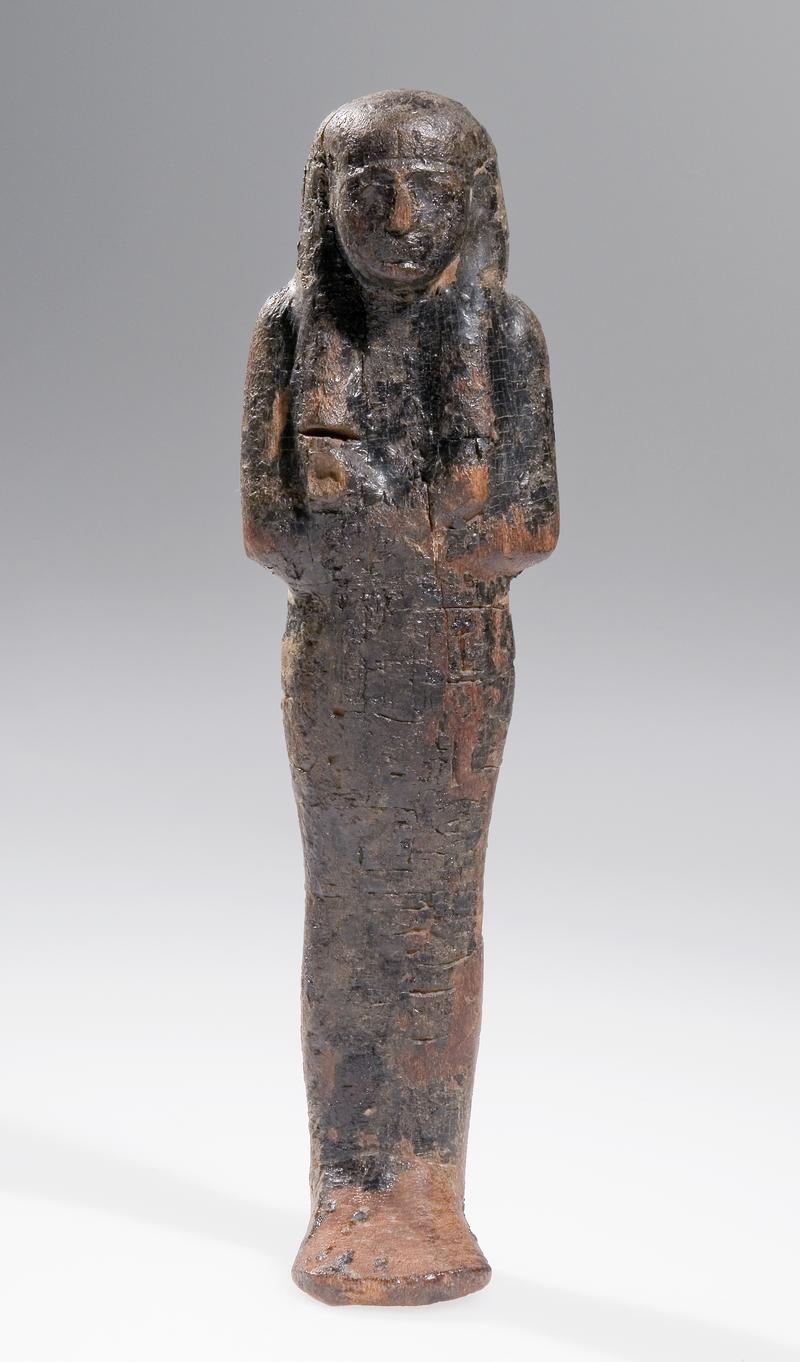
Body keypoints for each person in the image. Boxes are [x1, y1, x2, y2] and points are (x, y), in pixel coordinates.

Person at [242, 89, 558, 1305]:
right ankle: (346, 1185)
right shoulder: (291, 329)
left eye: (431, 189)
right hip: (333, 660)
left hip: (454, 667)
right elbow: (270, 527)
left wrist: (397, 523)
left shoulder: (503, 337)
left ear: (474, 204)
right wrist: (394, 526)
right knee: (343, 910)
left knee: (434, 912)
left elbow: (527, 525)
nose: (399, 217)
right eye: (368, 186)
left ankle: (426, 1188)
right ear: (323, 198)